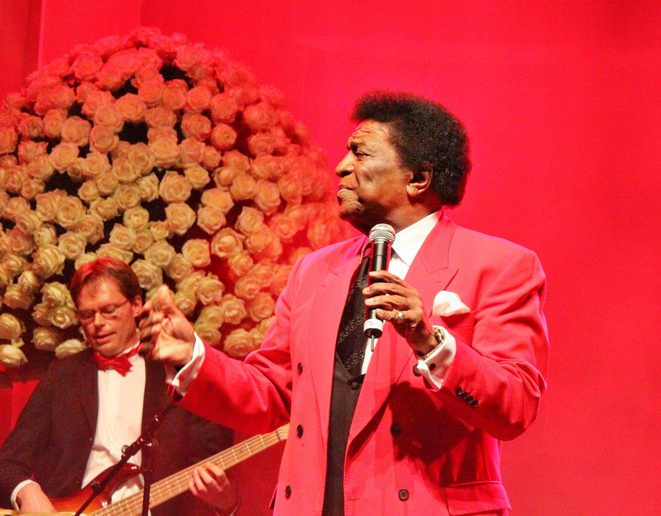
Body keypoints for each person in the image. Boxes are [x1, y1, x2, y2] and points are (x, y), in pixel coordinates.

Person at [141, 91, 549, 515]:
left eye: (360, 153)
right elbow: (273, 393)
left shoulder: (499, 266)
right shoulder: (314, 271)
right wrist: (193, 357)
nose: (341, 166)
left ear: (418, 178)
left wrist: (431, 344)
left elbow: (516, 406)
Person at [0, 257, 240, 515]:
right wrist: (26, 490)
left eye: (108, 310)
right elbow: (8, 463)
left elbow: (213, 476)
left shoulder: (181, 374)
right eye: (87, 314)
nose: (98, 323)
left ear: (136, 305)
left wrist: (225, 500)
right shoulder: (63, 375)